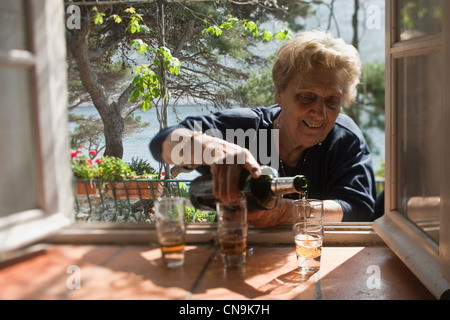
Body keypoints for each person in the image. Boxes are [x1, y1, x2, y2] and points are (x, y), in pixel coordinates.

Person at [150, 29, 377, 227]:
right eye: (306, 97)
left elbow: (359, 208)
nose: (320, 113)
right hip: (236, 250)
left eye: (332, 101)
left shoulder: (345, 139)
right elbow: (161, 143)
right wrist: (210, 148)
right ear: (279, 94)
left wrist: (286, 213)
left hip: (313, 261)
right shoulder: (247, 128)